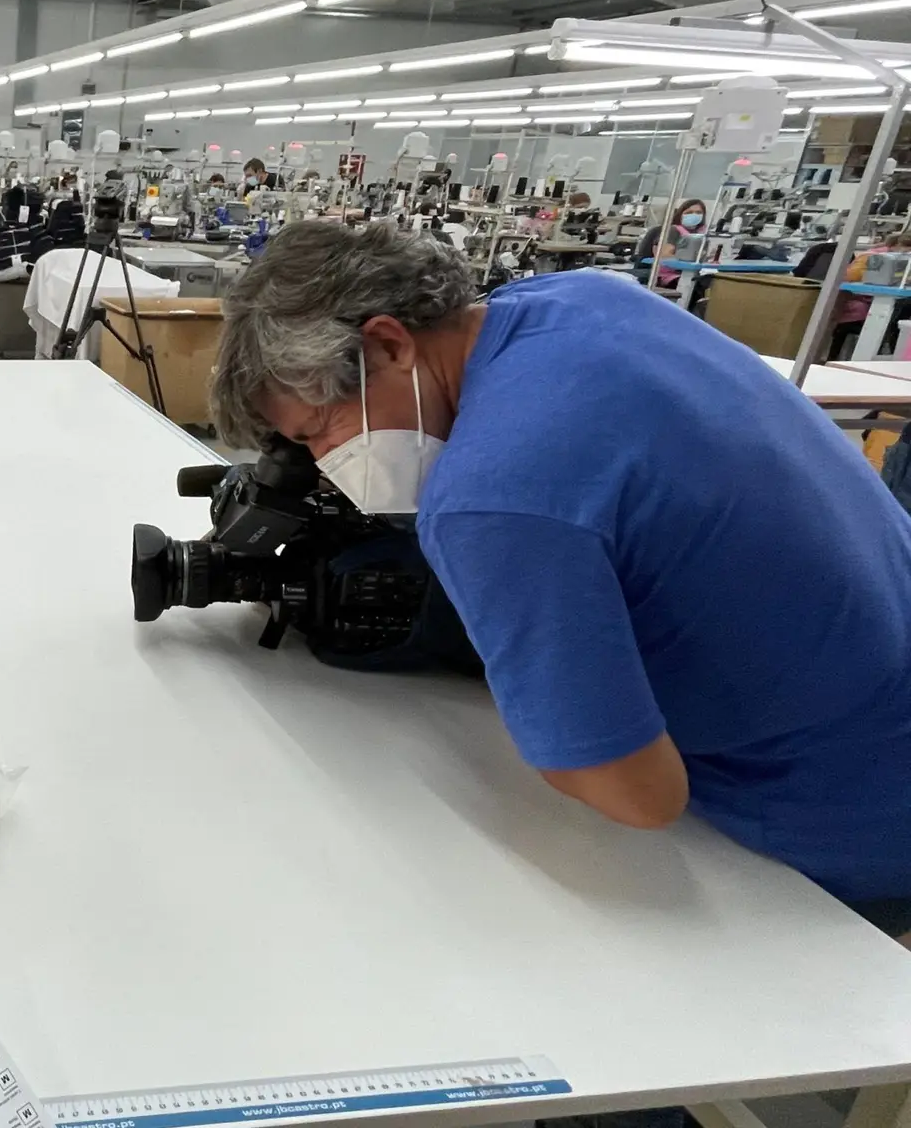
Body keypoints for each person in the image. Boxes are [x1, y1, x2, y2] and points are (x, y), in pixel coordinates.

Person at [210, 220, 911, 938]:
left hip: (851, 837)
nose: (329, 464)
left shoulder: (490, 496)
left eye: (318, 430)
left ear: (389, 343)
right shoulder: (582, 299)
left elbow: (638, 796)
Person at [634, 197, 707, 289]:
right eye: (689, 212)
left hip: (691, 273)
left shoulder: (703, 234)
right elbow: (664, 255)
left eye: (698, 213)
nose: (694, 215)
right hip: (667, 275)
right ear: (680, 214)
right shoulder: (673, 231)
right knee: (699, 286)